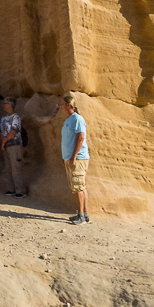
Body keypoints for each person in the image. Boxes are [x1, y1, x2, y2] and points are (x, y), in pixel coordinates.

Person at [59, 94, 90, 224]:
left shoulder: (77, 119)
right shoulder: (69, 120)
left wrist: (74, 156)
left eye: (61, 104)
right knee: (78, 187)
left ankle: (81, 216)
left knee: (78, 187)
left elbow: (80, 137)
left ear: (68, 105)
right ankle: (83, 214)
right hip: (71, 158)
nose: (60, 106)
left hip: (77, 159)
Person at [0, 97, 25, 197]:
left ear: (11, 105)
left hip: (14, 145)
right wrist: (2, 139)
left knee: (16, 168)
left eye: (5, 103)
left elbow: (13, 132)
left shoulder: (16, 117)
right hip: (6, 146)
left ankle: (20, 191)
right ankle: (11, 189)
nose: (3, 105)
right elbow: (1, 131)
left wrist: (4, 141)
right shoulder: (3, 117)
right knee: (8, 168)